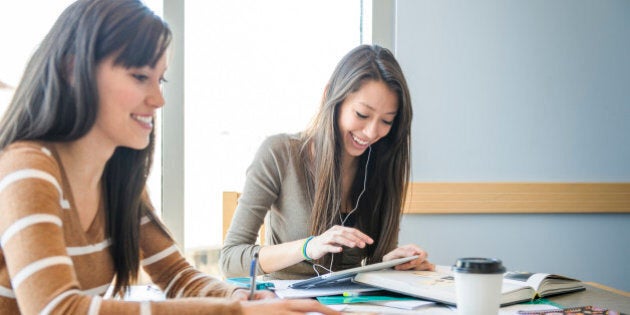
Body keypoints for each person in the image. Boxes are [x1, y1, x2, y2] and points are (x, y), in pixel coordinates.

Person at [0, 1, 339, 314]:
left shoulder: (117, 180)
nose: (159, 99)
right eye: (140, 77)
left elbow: (177, 276)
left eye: (160, 79)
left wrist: (236, 297)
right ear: (74, 70)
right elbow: (55, 309)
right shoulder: (26, 168)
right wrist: (235, 312)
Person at [220, 44, 435, 280]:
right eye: (362, 115)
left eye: (386, 121)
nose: (372, 132)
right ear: (330, 97)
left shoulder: (381, 164)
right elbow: (230, 260)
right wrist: (308, 247)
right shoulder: (279, 153)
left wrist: (391, 264)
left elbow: (371, 266)